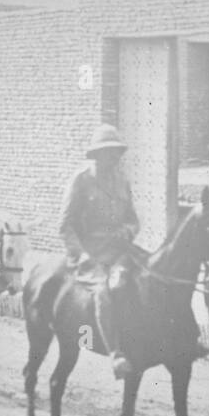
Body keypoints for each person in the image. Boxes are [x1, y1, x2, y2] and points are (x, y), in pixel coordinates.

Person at [60, 124, 143, 378]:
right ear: (96, 154)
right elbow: (65, 225)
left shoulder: (122, 180)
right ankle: (115, 354)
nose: (114, 158)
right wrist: (81, 254)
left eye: (117, 152)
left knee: (153, 274)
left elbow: (133, 220)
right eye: (108, 152)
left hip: (119, 249)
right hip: (91, 253)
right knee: (104, 292)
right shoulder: (81, 180)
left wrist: (127, 232)